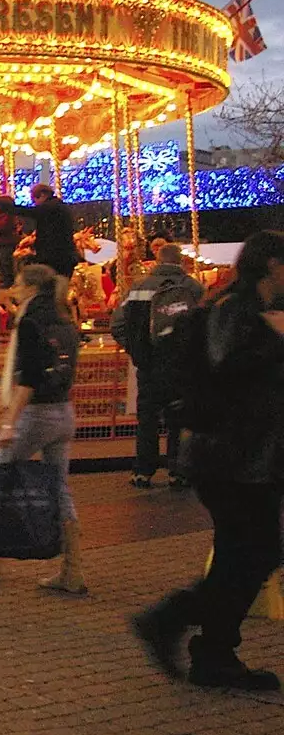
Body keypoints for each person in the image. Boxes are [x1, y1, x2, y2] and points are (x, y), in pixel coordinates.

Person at [134, 231, 284, 692]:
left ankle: (214, 652)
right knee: (256, 551)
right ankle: (170, 619)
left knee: (243, 554)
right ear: (271, 266)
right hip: (230, 456)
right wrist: (276, 339)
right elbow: (228, 362)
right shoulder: (234, 310)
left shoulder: (243, 310)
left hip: (240, 454)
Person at [0, 265, 85, 594]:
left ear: (32, 289)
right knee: (59, 488)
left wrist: (10, 421)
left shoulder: (30, 322)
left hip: (35, 415)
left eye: (19, 285)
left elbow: (28, 378)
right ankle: (73, 570)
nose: (14, 289)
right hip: (63, 411)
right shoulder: (64, 320)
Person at [113, 243, 204, 489]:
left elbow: (117, 324)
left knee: (147, 418)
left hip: (149, 364)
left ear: (157, 260)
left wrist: (136, 350)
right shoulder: (193, 288)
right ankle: (178, 471)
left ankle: (143, 471)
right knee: (180, 418)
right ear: (181, 261)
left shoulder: (139, 287)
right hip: (182, 365)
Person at [0, 183, 80, 281]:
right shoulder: (57, 206)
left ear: (43, 195)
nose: (35, 203)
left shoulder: (50, 207)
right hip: (61, 253)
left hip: (56, 255)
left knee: (54, 283)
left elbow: (27, 211)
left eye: (35, 199)